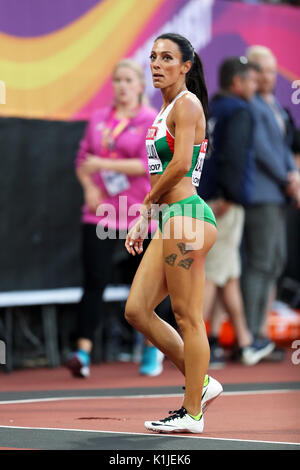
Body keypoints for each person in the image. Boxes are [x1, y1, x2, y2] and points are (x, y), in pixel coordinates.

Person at [124, 33, 223, 434]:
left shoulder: (188, 104)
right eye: (152, 57)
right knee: (136, 310)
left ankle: (193, 412)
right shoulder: (165, 109)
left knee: (187, 316)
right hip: (173, 219)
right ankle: (202, 383)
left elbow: (181, 163)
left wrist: (145, 208)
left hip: (187, 217)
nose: (156, 64)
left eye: (167, 58)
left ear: (185, 66)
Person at [65, 59, 162, 378]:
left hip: (139, 216)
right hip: (101, 215)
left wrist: (104, 164)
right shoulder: (98, 119)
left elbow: (151, 165)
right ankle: (82, 353)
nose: (121, 86)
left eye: (128, 80)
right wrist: (89, 186)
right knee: (94, 282)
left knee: (145, 288)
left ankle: (151, 348)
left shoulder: (151, 120)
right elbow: (83, 161)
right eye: (117, 80)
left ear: (139, 86)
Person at [199, 57, 275, 367]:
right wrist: (229, 197)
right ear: (237, 83)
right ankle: (190, 347)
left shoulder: (211, 108)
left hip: (204, 198)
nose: (255, 86)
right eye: (251, 81)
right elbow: (233, 157)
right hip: (223, 204)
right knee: (212, 276)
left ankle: (244, 342)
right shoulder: (240, 111)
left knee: (228, 275)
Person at [240, 45, 300, 342]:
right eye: (264, 70)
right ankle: (252, 334)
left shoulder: (274, 104)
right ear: (251, 71)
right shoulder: (250, 104)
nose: (270, 76)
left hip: (279, 192)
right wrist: (286, 177)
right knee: (260, 262)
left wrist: (294, 176)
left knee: (276, 261)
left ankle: (262, 330)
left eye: (273, 70)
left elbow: (284, 147)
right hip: (262, 194)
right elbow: (262, 149)